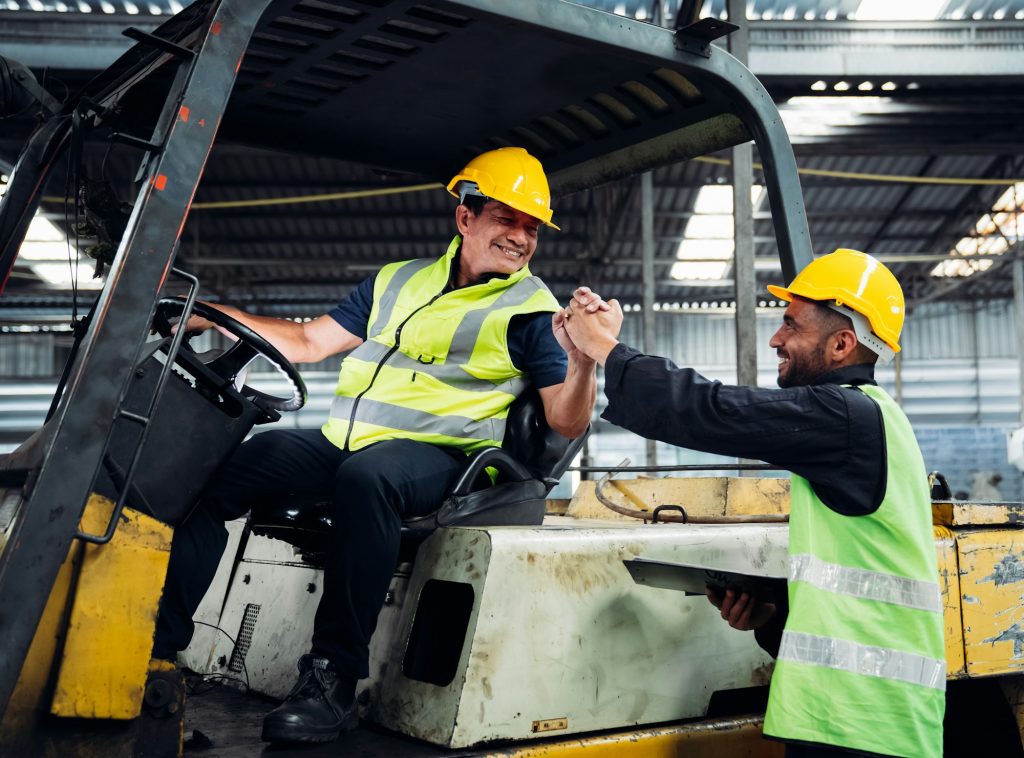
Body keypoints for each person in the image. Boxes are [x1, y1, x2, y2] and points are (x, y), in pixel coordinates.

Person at [152, 146, 607, 744]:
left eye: (531, 227)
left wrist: (582, 362)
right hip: (348, 441)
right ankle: (157, 655)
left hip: (444, 457)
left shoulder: (531, 311)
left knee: (369, 479)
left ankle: (332, 680)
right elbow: (310, 342)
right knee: (222, 469)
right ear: (465, 217)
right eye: (506, 218)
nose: (520, 237)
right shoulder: (398, 280)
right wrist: (212, 314)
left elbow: (567, 422)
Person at [559, 248, 945, 758]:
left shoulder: (847, 415)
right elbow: (854, 598)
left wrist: (607, 348)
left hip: (863, 726)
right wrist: (770, 615)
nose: (776, 339)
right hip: (853, 717)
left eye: (791, 326)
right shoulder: (867, 419)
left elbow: (712, 409)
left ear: (842, 343)